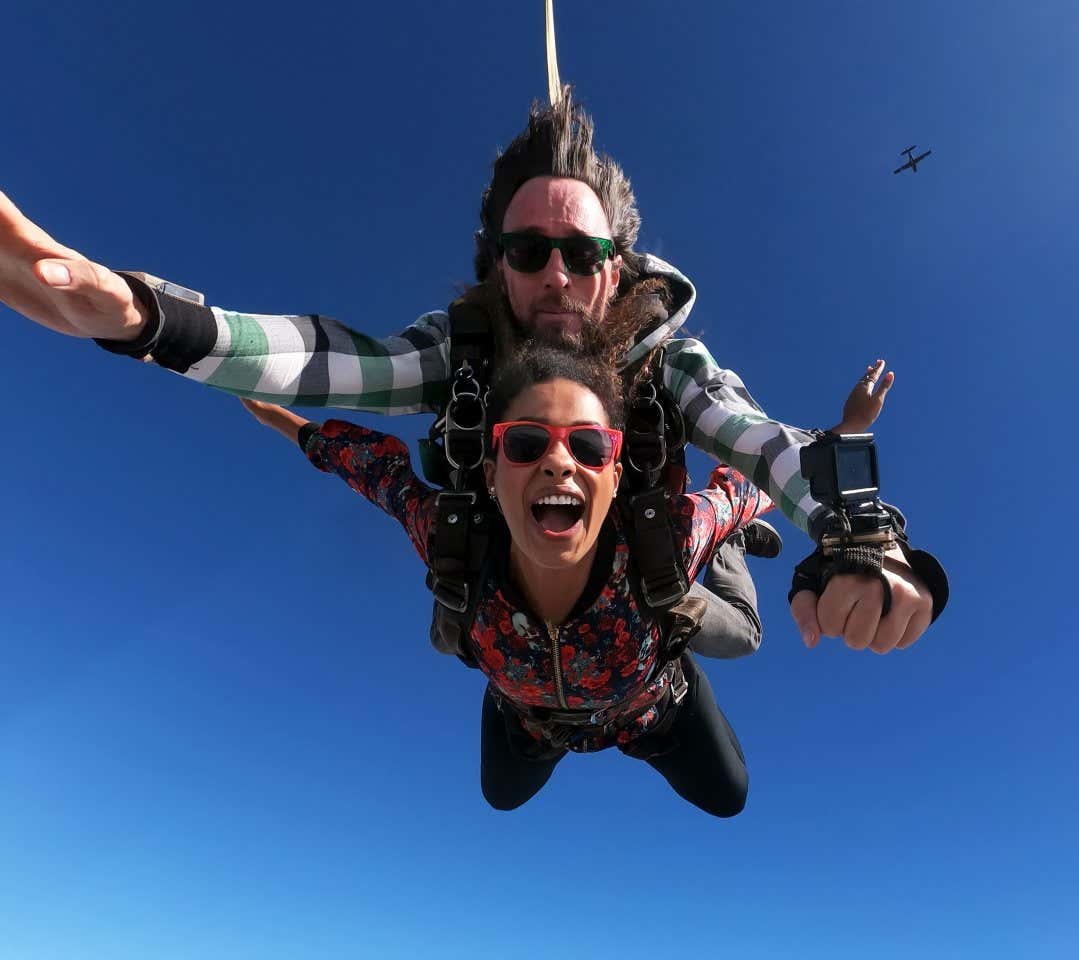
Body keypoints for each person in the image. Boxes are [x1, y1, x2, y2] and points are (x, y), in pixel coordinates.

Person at [0, 90, 944, 653]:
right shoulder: (460, 351)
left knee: (724, 650)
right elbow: (327, 363)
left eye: (582, 252)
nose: (558, 277)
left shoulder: (668, 357)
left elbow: (754, 431)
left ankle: (733, 532)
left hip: (647, 571)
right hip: (526, 605)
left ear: (620, 266)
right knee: (489, 706)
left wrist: (859, 531)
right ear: (498, 264)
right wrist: (141, 316)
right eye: (529, 252)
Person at [244, 339, 769, 816]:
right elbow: (373, 470)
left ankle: (728, 553)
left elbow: (757, 482)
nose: (559, 462)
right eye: (524, 443)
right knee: (501, 796)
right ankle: (535, 700)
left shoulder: (667, 537)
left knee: (729, 794)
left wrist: (843, 479)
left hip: (655, 710)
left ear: (615, 473)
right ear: (491, 472)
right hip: (531, 721)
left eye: (588, 446)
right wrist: (277, 417)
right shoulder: (455, 537)